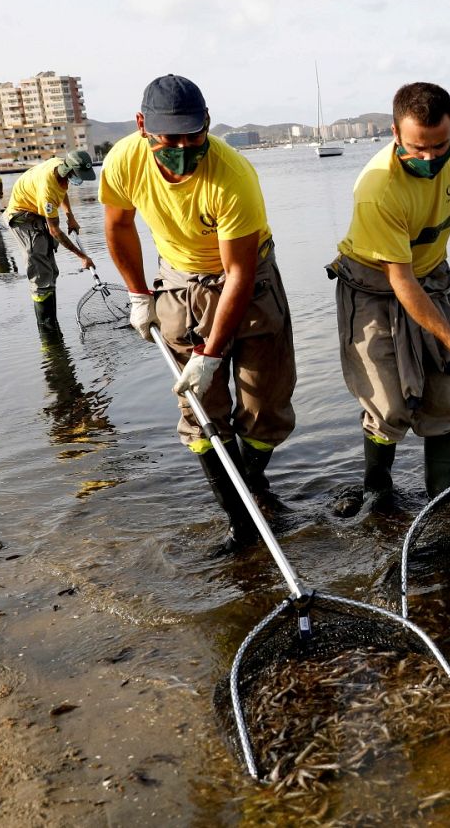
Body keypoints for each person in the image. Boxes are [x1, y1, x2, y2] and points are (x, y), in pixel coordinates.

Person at [100, 74, 296, 551]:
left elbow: (239, 276)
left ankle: (251, 486)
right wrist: (139, 294)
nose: (184, 148)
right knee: (201, 411)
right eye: (171, 139)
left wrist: (210, 354)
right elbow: (119, 226)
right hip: (180, 283)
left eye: (194, 136)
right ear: (143, 125)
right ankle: (240, 522)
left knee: (263, 405)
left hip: (248, 281)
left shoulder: (233, 177)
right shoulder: (124, 160)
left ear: (208, 122)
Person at [326, 81, 450, 517]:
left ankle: (442, 507)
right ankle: (377, 494)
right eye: (418, 149)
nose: (431, 159)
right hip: (374, 284)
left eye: (439, 146)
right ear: (395, 134)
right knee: (389, 405)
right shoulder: (379, 190)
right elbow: (401, 282)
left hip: (429, 275)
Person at [4, 151, 96, 327]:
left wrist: (70, 216)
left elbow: (62, 189)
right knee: (41, 273)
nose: (79, 179)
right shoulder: (47, 189)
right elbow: (55, 231)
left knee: (51, 270)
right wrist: (82, 257)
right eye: (77, 175)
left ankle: (52, 322)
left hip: (36, 211)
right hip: (22, 218)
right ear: (68, 170)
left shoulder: (60, 165)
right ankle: (47, 330)